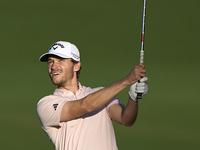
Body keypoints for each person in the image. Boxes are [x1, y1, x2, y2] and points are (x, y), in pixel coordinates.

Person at [37, 41, 148, 150]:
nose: (53, 66)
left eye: (61, 60)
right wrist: (126, 81)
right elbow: (87, 105)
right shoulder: (46, 104)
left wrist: (133, 98)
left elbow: (126, 119)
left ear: (76, 65)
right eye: (50, 61)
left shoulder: (101, 94)